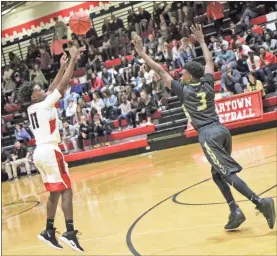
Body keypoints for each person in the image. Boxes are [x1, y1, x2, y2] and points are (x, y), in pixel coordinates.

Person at [132, 25, 275, 231]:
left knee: (226, 173)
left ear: (190, 76)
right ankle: (234, 210)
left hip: (208, 135)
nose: (181, 75)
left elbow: (161, 72)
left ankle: (260, 202)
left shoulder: (183, 90)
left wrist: (142, 54)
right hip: (222, 130)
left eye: (183, 73)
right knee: (217, 174)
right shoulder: (207, 82)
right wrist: (200, 41)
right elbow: (208, 61)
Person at [17, 48, 85, 251]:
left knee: (55, 194)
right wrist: (72, 60)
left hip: (39, 153)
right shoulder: (44, 104)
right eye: (38, 89)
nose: (42, 89)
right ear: (33, 96)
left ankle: (48, 230)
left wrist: (62, 65)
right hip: (50, 152)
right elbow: (62, 86)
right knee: (67, 190)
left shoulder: (33, 107)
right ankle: (70, 232)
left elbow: (52, 88)